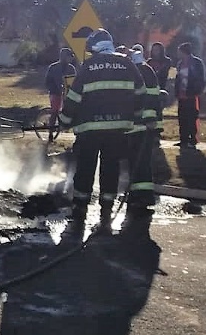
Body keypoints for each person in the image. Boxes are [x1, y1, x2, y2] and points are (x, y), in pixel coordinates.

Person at [59, 29, 145, 232]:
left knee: (85, 169)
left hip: (89, 130)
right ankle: (106, 211)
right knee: (110, 170)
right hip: (118, 129)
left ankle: (79, 210)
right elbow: (141, 92)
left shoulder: (88, 66)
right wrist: (135, 115)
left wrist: (64, 120)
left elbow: (74, 98)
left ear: (95, 47)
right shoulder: (127, 63)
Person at [124, 44, 164, 233]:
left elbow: (140, 99)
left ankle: (137, 196)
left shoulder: (135, 72)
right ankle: (144, 196)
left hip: (136, 126)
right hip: (147, 127)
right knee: (143, 163)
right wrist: (153, 123)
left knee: (135, 163)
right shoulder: (149, 71)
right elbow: (156, 99)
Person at [175, 42, 206, 148]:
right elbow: (178, 78)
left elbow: (201, 78)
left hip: (192, 95)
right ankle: (183, 139)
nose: (178, 53)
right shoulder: (180, 63)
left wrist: (197, 90)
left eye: (180, 51)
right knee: (182, 118)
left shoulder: (196, 63)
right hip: (181, 95)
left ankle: (193, 139)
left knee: (192, 117)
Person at [44, 47, 77, 140]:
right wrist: (55, 89)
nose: (70, 59)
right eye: (69, 57)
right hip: (55, 93)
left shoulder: (71, 68)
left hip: (68, 94)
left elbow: (74, 81)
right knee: (55, 111)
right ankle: (50, 133)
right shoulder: (53, 67)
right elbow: (47, 82)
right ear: (63, 57)